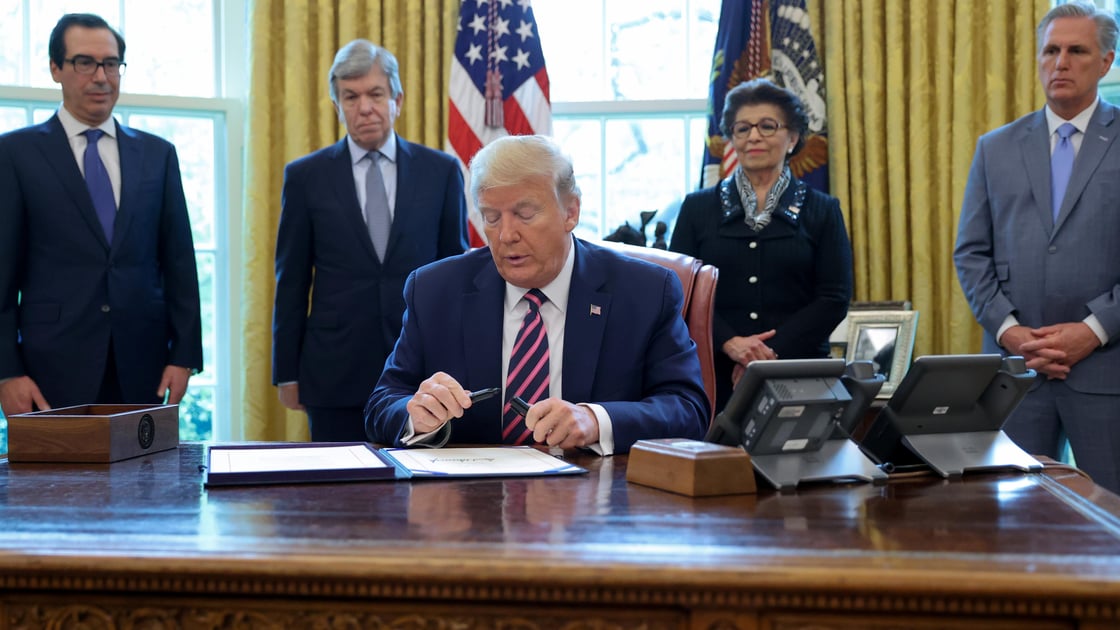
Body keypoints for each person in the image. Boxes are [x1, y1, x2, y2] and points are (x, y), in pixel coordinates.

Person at [364, 135, 709, 453]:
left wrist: (597, 421)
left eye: (525, 215)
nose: (506, 235)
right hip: (471, 504)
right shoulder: (435, 290)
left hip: (598, 503)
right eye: (492, 217)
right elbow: (383, 403)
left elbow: (688, 409)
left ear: (570, 212)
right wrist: (415, 416)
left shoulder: (644, 292)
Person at [954, 2, 1120, 494]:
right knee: (1014, 523)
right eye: (1050, 50)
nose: (1060, 62)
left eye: (1076, 51)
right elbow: (971, 254)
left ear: (1107, 62)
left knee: (1111, 522)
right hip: (1015, 374)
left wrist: (1091, 331)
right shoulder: (995, 147)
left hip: (1105, 373)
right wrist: (1011, 333)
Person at [0, 13, 202, 416]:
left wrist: (184, 356)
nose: (101, 77)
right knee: (52, 481)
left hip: (143, 364)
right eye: (84, 62)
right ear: (56, 68)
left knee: (146, 478)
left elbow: (179, 262)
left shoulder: (157, 155)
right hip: (48, 369)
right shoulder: (15, 154)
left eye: (111, 64)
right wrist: (6, 372)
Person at [272, 40, 468, 442]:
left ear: (397, 98)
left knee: (417, 497)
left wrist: (460, 362)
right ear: (337, 104)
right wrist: (286, 372)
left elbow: (457, 277)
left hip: (421, 373)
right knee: (334, 496)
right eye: (351, 96)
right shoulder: (306, 177)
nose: (365, 107)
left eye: (375, 94)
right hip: (333, 373)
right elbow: (291, 280)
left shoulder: (442, 171)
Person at [670, 78, 852, 411]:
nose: (754, 136)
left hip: (799, 371)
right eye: (742, 129)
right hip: (714, 375)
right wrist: (731, 344)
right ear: (732, 139)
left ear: (793, 137)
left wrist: (765, 355)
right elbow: (680, 291)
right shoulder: (696, 209)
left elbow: (834, 297)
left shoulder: (823, 210)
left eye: (768, 126)